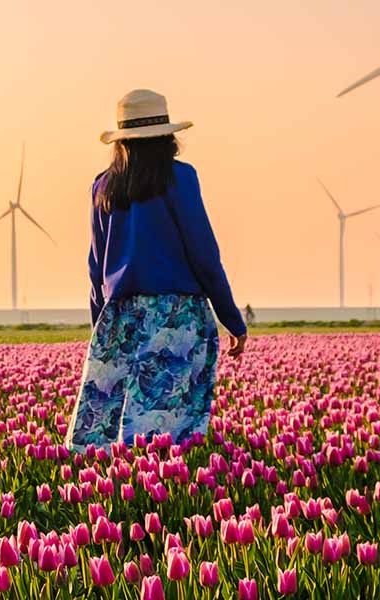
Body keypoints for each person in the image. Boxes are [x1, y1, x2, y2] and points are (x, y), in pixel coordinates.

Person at [65, 89, 247, 452]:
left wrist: (101, 331)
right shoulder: (180, 178)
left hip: (120, 317)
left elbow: (95, 270)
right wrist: (232, 319)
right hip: (175, 317)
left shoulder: (104, 186)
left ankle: (113, 501)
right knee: (164, 424)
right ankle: (151, 502)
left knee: (108, 429)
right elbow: (204, 255)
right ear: (167, 136)